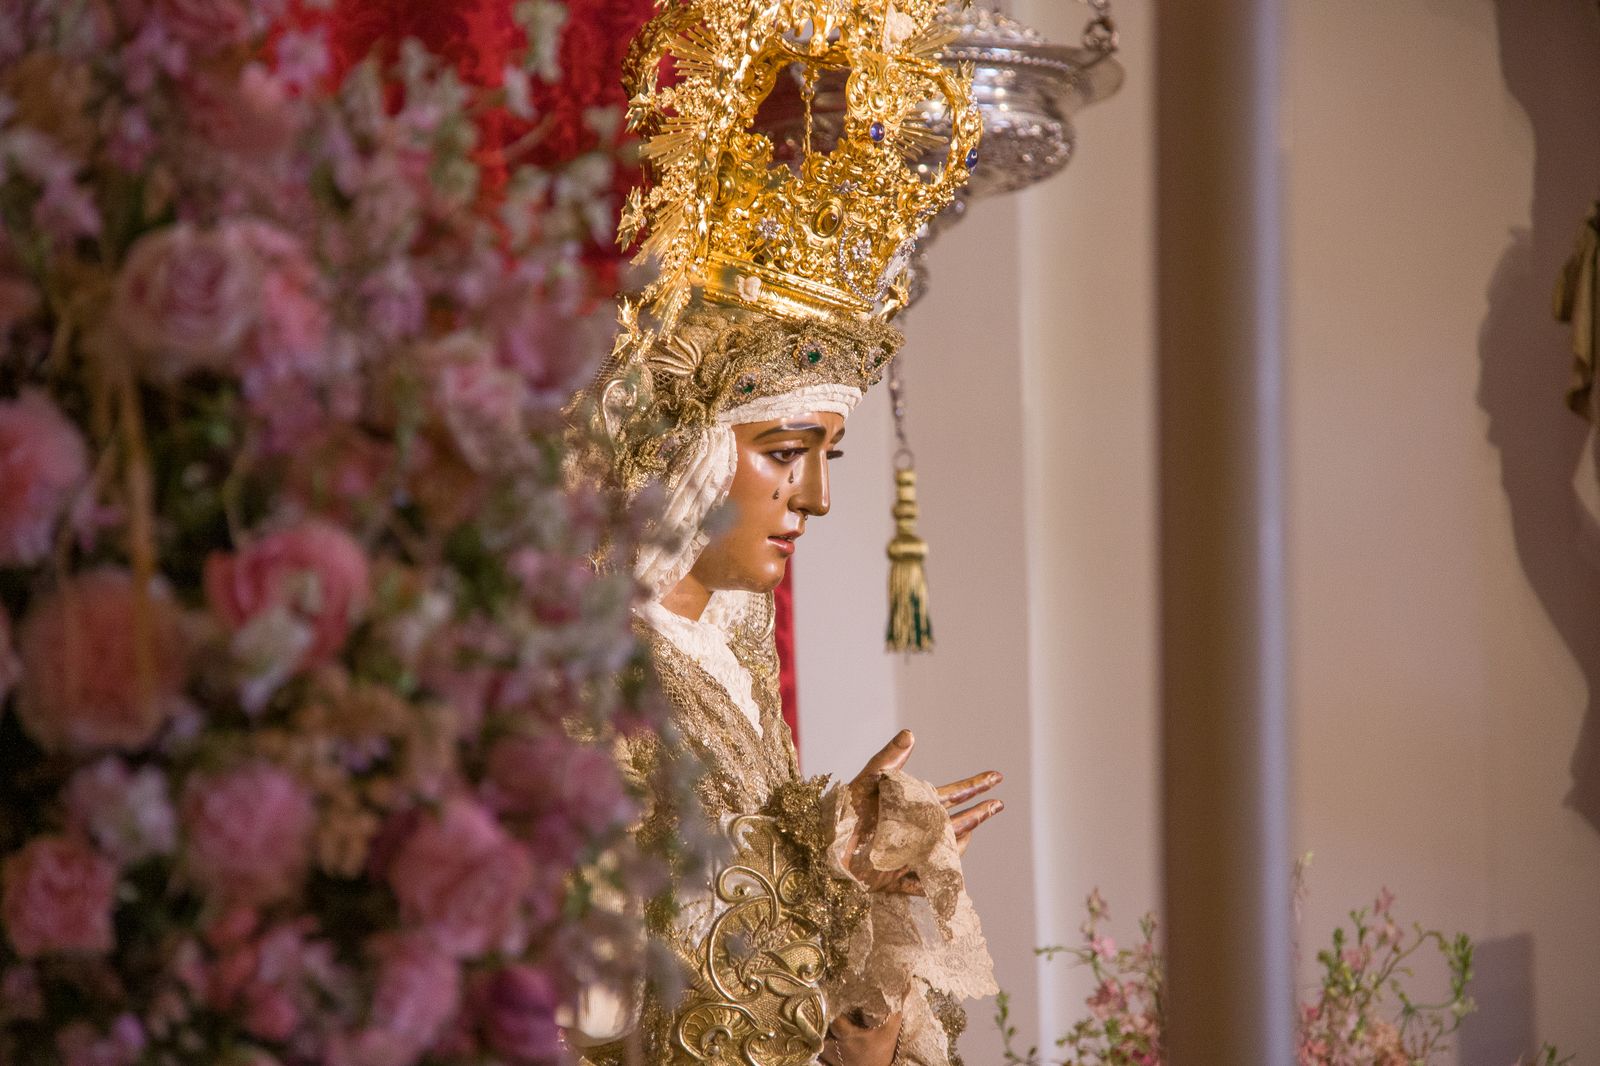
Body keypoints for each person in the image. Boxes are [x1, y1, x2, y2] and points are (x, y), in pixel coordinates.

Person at [567, 1, 1002, 1062]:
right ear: (688, 450)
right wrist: (822, 871)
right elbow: (599, 997)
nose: (811, 499)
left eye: (826, 459)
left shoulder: (729, 657)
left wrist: (869, 984)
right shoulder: (585, 676)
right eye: (781, 452)